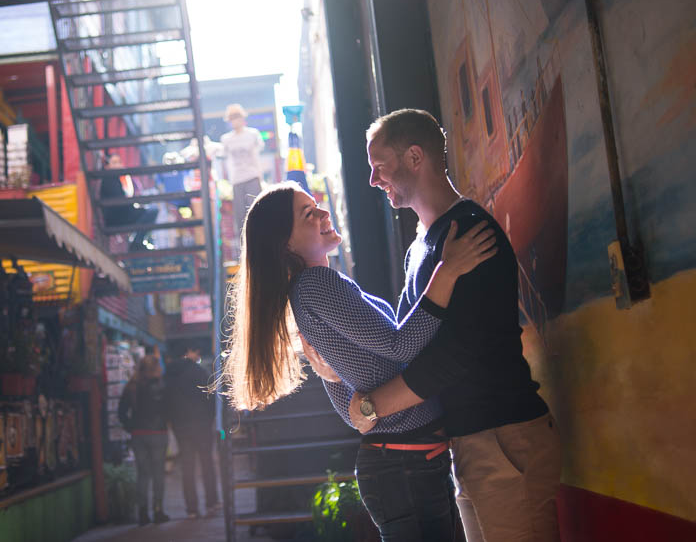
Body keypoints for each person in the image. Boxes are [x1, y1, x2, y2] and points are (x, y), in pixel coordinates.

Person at [221, 181, 497, 540]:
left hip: (405, 462)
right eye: (309, 214)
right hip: (404, 466)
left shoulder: (311, 289)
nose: (323, 212)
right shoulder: (316, 284)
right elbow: (400, 346)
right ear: (285, 244)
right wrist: (447, 270)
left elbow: (354, 411)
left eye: (317, 204)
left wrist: (337, 381)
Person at [352, 109, 560, 542]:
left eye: (379, 165)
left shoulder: (468, 230)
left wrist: (374, 407)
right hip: (471, 441)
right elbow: (412, 344)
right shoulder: (419, 247)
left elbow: (454, 354)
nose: (373, 180)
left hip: (502, 435)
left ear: (414, 157)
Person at [165, 344, 219, 519]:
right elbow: (211, 399)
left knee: (187, 467)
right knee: (207, 464)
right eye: (196, 351)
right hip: (202, 426)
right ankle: (211, 502)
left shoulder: (170, 374)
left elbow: (167, 401)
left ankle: (191, 509)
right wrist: (209, 420)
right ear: (188, 352)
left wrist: (174, 423)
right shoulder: (200, 372)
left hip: (181, 427)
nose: (198, 355)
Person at [118, 354, 171, 525]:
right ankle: (158, 511)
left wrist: (130, 427)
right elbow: (168, 409)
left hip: (138, 435)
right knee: (158, 474)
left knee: (142, 474)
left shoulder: (131, 387)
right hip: (158, 434)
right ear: (155, 368)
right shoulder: (162, 386)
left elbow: (121, 412)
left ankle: (142, 513)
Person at [220, 103, 264, 239]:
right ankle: (244, 248)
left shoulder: (253, 134)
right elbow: (221, 155)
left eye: (237, 117)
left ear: (242, 118)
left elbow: (258, 152)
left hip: (252, 177)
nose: (235, 121)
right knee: (240, 218)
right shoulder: (226, 139)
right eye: (232, 118)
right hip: (237, 180)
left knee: (257, 213)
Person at [99, 153, 159, 251]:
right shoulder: (108, 179)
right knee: (152, 211)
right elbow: (118, 201)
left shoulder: (116, 179)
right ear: (108, 166)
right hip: (116, 217)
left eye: (119, 162)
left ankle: (138, 241)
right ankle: (136, 242)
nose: (118, 165)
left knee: (151, 210)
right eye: (114, 163)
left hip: (122, 214)